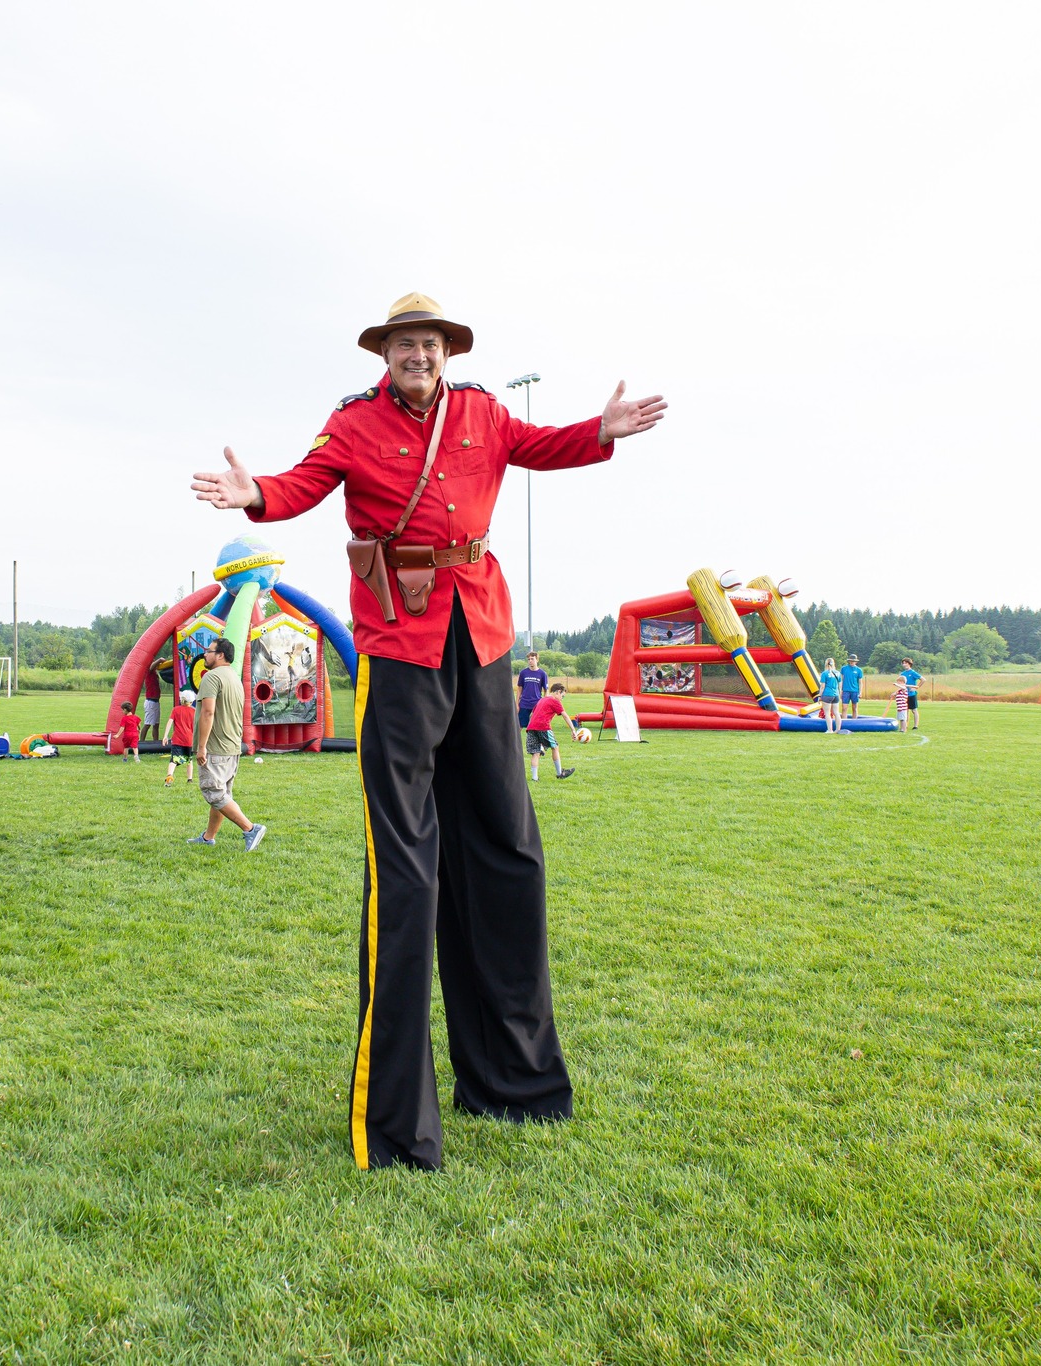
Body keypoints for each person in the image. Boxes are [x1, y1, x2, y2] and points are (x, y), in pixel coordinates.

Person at [190, 291, 664, 1170]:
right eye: (405, 343)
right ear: (386, 353)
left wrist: (600, 430)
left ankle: (514, 1084)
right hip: (398, 651)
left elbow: (540, 447)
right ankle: (401, 1126)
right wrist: (254, 493)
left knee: (507, 853)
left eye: (430, 342)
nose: (419, 354)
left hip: (480, 639)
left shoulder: (484, 410)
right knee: (407, 873)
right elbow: (301, 485)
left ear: (448, 349)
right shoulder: (353, 425)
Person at [187, 637, 265, 851]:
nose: (205, 654)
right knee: (222, 795)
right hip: (232, 746)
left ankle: (250, 829)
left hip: (215, 746)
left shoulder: (211, 677)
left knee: (214, 791)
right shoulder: (234, 677)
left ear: (220, 654)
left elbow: (208, 711)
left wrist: (201, 746)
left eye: (209, 651)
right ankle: (208, 837)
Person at [524, 682, 577, 781]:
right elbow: (565, 715)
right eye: (563, 696)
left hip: (531, 727)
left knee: (535, 753)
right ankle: (560, 773)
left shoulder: (542, 700)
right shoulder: (555, 701)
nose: (562, 699)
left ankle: (534, 778)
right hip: (543, 726)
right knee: (555, 747)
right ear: (558, 692)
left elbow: (532, 714)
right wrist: (573, 730)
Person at [164, 687, 197, 785]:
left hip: (177, 740)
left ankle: (170, 775)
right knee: (189, 760)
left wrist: (165, 735)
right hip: (189, 740)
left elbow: (169, 722)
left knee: (174, 759)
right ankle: (190, 779)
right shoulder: (194, 711)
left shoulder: (176, 710)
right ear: (191, 701)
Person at [515, 651, 549, 730]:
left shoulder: (542, 674)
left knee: (536, 727)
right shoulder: (523, 673)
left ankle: (537, 742)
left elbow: (546, 690)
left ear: (537, 660)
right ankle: (514, 742)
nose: (530, 661)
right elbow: (519, 689)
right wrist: (517, 704)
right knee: (519, 726)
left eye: (532, 659)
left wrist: (544, 704)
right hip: (524, 704)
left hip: (536, 704)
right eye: (528, 659)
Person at [819, 657, 843, 734]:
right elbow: (840, 685)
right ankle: (838, 729)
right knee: (836, 712)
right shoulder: (838, 673)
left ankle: (830, 730)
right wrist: (839, 694)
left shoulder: (824, 673)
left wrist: (820, 695)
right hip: (835, 694)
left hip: (827, 694)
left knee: (827, 713)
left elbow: (822, 686)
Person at [899, 658, 923, 731]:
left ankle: (915, 726)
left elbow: (923, 679)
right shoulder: (902, 674)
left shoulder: (913, 672)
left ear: (909, 664)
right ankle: (905, 725)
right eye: (903, 663)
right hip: (905, 694)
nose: (904, 664)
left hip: (911, 694)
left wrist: (916, 688)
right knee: (905, 710)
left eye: (906, 663)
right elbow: (901, 683)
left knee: (914, 710)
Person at [141, 665, 164, 742]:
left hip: (156, 702)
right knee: (147, 724)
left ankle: (156, 742)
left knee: (156, 725)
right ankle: (141, 742)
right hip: (150, 702)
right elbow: (152, 665)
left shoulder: (154, 673)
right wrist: (160, 660)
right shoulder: (148, 671)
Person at [841, 653, 864, 719]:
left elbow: (860, 682)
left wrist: (860, 692)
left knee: (854, 708)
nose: (852, 662)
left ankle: (854, 722)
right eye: (850, 661)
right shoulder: (844, 668)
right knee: (844, 708)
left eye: (853, 661)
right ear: (849, 661)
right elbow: (842, 680)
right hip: (846, 690)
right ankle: (844, 722)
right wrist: (840, 690)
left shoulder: (859, 670)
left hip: (855, 691)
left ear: (856, 662)